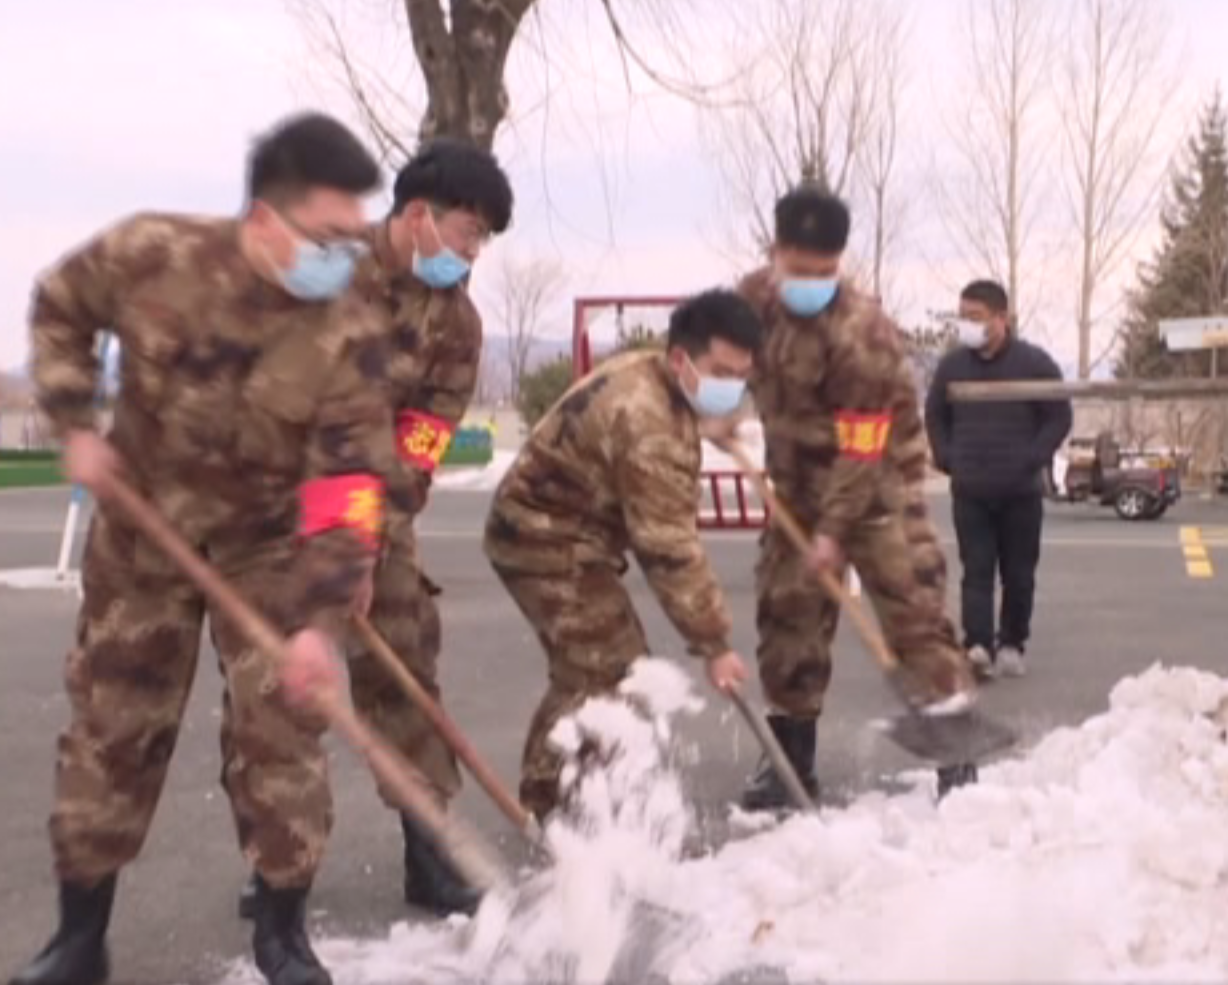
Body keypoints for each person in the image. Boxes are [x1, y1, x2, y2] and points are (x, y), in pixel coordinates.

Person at [13, 112, 391, 985]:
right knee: (113, 727)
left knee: (287, 726)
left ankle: (283, 933)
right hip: (143, 536)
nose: (346, 256)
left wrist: (320, 619)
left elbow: (348, 477)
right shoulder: (154, 253)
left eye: (356, 239)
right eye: (330, 236)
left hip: (269, 550)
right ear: (266, 219)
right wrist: (72, 420)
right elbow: (60, 306)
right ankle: (78, 938)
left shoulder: (350, 325)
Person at [237, 138, 515, 921]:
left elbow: (419, 445)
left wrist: (366, 542)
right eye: (468, 231)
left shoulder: (457, 324)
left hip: (372, 512)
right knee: (283, 691)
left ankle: (428, 854)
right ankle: (277, 877)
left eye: (484, 239)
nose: (473, 250)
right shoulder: (322, 270)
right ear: (418, 215)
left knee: (406, 666)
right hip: (279, 506)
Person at [736, 185, 976, 812]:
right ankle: (790, 763)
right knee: (787, 619)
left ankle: (956, 760)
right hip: (794, 489)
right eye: (800, 269)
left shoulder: (862, 332)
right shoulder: (752, 302)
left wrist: (833, 529)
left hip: (876, 492)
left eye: (825, 272)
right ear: (777, 251)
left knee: (915, 615)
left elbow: (864, 449)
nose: (811, 282)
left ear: (840, 263)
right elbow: (722, 355)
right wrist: (712, 404)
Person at [483, 289, 759, 822]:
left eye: (741, 375)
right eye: (721, 371)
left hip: (563, 531)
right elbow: (669, 547)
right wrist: (714, 643)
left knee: (593, 667)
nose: (732, 386)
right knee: (607, 666)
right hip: (543, 539)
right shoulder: (649, 421)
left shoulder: (652, 374)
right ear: (682, 359)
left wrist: (707, 425)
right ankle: (554, 803)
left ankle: (561, 792)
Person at [925, 279, 1072, 679]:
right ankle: (977, 645)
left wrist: (1033, 458)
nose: (967, 325)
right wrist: (947, 456)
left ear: (1000, 318)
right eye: (963, 317)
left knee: (1019, 574)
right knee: (976, 571)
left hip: (1020, 492)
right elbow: (935, 414)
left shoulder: (1034, 364)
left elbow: (1059, 416)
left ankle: (1012, 642)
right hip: (970, 490)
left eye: (976, 317)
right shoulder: (953, 367)